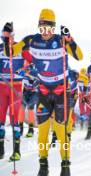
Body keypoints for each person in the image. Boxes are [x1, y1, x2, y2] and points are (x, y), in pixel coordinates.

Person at [4, 9, 83, 176]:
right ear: (38, 27)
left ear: (53, 28)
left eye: (48, 28)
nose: (45, 32)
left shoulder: (60, 40)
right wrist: (7, 38)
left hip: (61, 92)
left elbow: (79, 56)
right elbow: (9, 53)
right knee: (43, 132)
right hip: (44, 92)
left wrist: (70, 40)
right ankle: (43, 164)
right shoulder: (32, 40)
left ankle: (65, 166)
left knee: (62, 133)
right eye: (42, 27)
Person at [0, 22, 25, 161]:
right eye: (3, 36)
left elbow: (32, 64)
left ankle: (17, 151)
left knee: (15, 120)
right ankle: (1, 149)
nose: (5, 39)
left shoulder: (20, 48)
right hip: (1, 88)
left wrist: (23, 69)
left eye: (7, 36)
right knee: (0, 119)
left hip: (15, 88)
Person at [17, 62, 39, 138]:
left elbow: (39, 79)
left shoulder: (37, 69)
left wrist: (28, 74)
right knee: (22, 107)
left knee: (30, 107)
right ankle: (20, 128)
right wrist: (24, 69)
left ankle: (31, 129)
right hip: (26, 91)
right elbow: (17, 72)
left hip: (35, 92)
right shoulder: (26, 68)